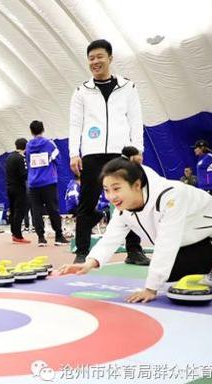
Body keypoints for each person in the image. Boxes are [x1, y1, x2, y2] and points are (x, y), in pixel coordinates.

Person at [58, 146, 212, 304]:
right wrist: (89, 263)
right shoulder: (124, 206)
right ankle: (205, 258)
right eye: (106, 190)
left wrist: (150, 289)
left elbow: (166, 243)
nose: (111, 196)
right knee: (168, 271)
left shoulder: (169, 196)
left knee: (169, 272)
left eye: (116, 188)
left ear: (136, 185)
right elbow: (110, 238)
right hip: (190, 238)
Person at [68, 38, 150, 266]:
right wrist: (74, 153)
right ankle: (82, 251)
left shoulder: (128, 87)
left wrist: (137, 149)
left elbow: (136, 120)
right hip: (92, 155)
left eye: (99, 57)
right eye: (91, 58)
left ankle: (134, 251)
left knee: (129, 201)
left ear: (110, 58)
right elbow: (75, 124)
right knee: (86, 204)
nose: (95, 61)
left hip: (121, 153)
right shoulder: (81, 92)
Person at [26, 120, 69, 246]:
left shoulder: (28, 146)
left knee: (36, 210)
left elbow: (28, 161)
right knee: (53, 209)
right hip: (48, 181)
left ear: (31, 131)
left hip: (33, 182)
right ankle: (58, 236)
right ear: (43, 129)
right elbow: (58, 159)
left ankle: (41, 238)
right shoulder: (49, 143)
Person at [6, 138, 30, 244]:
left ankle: (13, 233)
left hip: (9, 187)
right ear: (26, 146)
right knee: (19, 212)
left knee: (13, 211)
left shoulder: (9, 157)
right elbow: (24, 174)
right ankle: (18, 235)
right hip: (19, 188)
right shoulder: (21, 158)